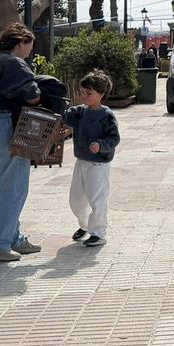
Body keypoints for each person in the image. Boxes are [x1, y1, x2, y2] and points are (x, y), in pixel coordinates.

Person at [0, 22, 45, 263]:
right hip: (7, 127)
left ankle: (15, 238)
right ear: (21, 42)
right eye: (30, 45)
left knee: (2, 190)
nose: (30, 51)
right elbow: (33, 95)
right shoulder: (14, 63)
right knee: (13, 190)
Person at [63, 69, 120, 248]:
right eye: (82, 93)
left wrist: (100, 145)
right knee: (76, 200)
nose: (84, 96)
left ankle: (98, 233)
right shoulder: (80, 112)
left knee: (97, 198)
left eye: (89, 93)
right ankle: (85, 225)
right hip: (81, 161)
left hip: (98, 164)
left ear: (101, 94)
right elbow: (65, 116)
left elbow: (114, 138)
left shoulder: (106, 115)